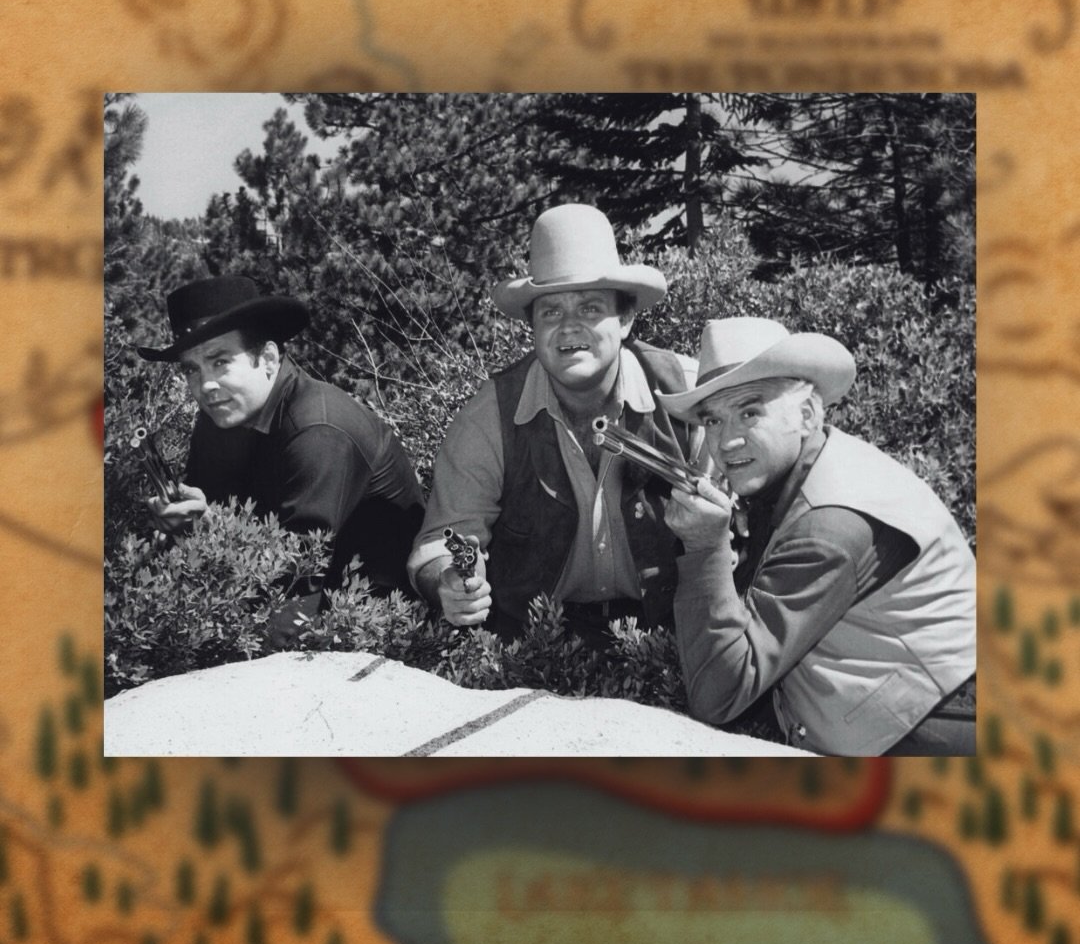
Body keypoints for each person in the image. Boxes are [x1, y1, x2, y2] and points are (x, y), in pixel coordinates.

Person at [658, 317, 976, 756]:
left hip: (928, 733)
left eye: (750, 412)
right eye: (713, 421)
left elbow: (720, 694)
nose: (726, 441)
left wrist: (705, 547)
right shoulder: (812, 463)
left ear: (806, 414)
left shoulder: (827, 527)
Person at [408, 203, 700, 643]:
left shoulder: (689, 397)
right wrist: (449, 578)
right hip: (533, 646)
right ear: (531, 326)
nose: (568, 328)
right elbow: (442, 539)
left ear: (625, 319)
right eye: (551, 312)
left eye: (589, 308)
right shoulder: (489, 417)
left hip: (670, 636)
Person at [137, 275, 425, 638]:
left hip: (365, 633)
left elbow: (298, 580)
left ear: (269, 358)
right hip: (277, 605)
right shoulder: (222, 415)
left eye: (221, 361)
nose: (205, 385)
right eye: (192, 369)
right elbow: (206, 529)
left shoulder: (319, 430)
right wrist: (182, 523)